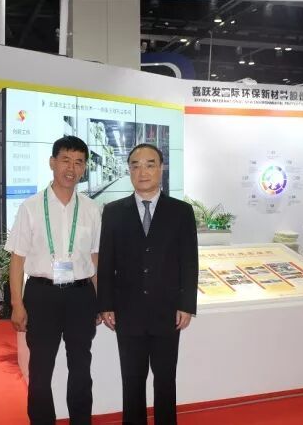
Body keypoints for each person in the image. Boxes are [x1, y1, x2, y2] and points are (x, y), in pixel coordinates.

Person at [97, 144, 199, 425]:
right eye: (135, 165)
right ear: (129, 170)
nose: (142, 171)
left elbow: (189, 262)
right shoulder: (113, 211)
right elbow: (106, 261)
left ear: (161, 168)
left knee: (165, 379)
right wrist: (106, 304)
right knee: (131, 380)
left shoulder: (181, 211)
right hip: (127, 311)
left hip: (168, 312)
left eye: (150, 164)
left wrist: (186, 304)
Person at [5, 136, 101, 425]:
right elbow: (17, 259)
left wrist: (100, 300)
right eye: (65, 160)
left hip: (81, 296)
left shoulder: (91, 209)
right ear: (52, 162)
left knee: (81, 368)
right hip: (42, 295)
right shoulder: (31, 206)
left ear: (84, 168)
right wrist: (17, 304)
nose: (71, 168)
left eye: (79, 162)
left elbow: (94, 258)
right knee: (41, 369)